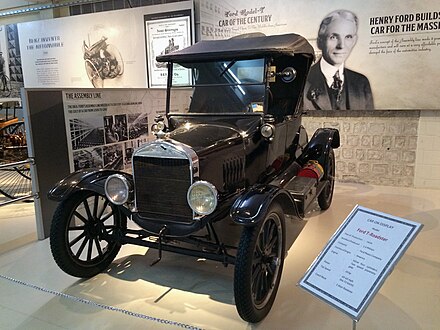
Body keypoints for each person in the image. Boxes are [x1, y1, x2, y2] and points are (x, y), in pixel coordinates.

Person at [303, 10, 374, 110]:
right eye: (333, 37)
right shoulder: (303, 82)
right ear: (320, 42)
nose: (341, 45)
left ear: (354, 41)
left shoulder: (361, 83)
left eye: (348, 37)